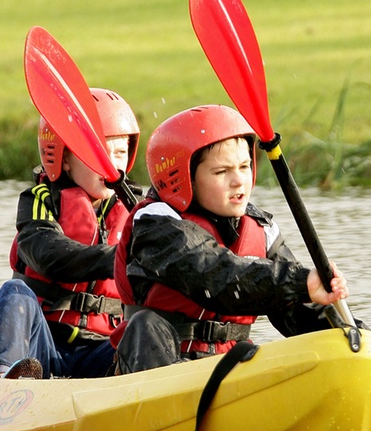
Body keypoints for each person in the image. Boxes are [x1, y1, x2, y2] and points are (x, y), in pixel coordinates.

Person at [112, 104, 348, 374]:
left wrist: (359, 342)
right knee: (145, 324)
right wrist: (299, 280)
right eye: (222, 172)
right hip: (158, 369)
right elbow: (214, 276)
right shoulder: (156, 225)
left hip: (227, 371)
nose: (239, 181)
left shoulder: (261, 229)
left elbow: (297, 312)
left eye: (245, 166)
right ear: (184, 178)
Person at [0, 88, 140, 379]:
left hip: (103, 352)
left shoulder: (139, 212)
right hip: (42, 347)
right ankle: (1, 381)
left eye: (120, 153)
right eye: (100, 153)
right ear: (64, 158)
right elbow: (48, 255)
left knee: (146, 326)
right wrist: (118, 257)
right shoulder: (40, 200)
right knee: (13, 293)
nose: (112, 165)